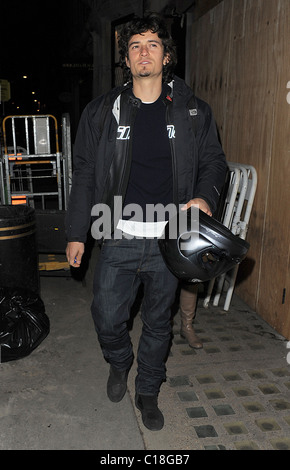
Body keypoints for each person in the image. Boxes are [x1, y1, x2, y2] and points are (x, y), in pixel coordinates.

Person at [65, 13, 227, 431]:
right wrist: (76, 232)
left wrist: (205, 197)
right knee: (106, 316)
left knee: (159, 322)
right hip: (117, 233)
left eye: (153, 44)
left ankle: (148, 389)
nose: (143, 52)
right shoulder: (103, 112)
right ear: (127, 59)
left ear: (167, 55)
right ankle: (120, 362)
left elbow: (214, 163)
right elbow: (83, 171)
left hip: (169, 240)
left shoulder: (193, 112)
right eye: (135, 45)